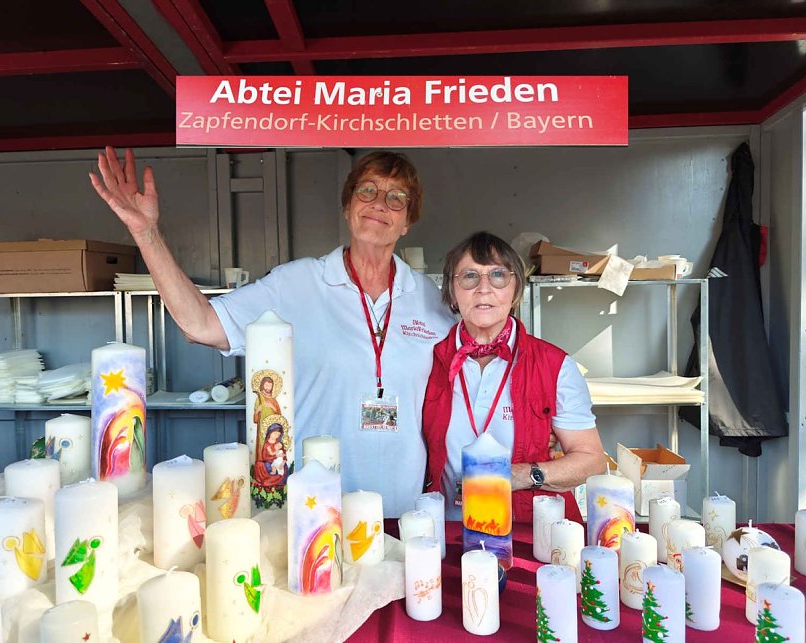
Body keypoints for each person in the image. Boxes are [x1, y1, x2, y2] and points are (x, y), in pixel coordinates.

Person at [90, 147, 454, 517]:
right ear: (347, 207)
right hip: (317, 507)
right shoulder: (295, 284)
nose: (380, 203)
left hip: (406, 509)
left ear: (408, 221)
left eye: (397, 198)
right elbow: (199, 325)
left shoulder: (429, 297)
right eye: (367, 191)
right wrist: (146, 232)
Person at [422, 231, 606, 522]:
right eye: (469, 276)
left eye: (498, 275)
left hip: (531, 533)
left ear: (516, 290)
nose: (484, 288)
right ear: (452, 293)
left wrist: (522, 474)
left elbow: (592, 461)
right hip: (449, 531)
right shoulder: (427, 361)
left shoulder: (554, 365)